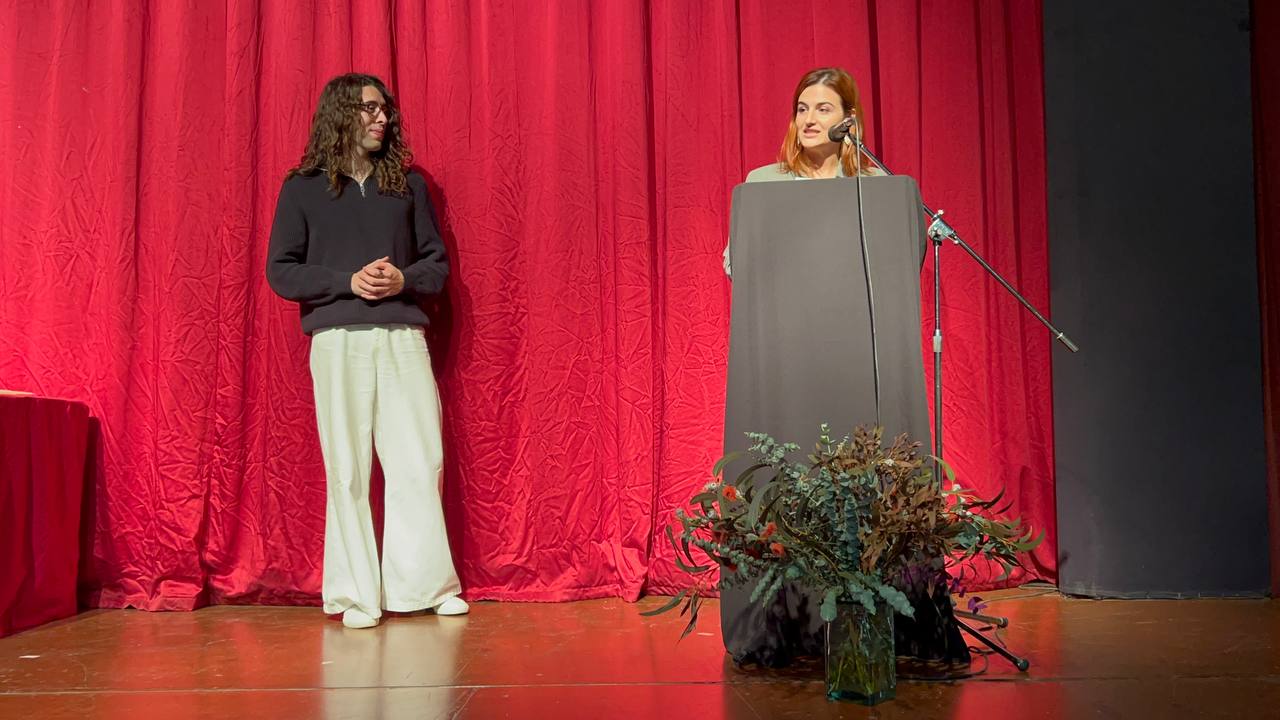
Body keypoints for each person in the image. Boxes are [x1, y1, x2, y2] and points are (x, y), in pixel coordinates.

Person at [266, 73, 467, 629]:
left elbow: (436, 265)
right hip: (338, 340)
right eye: (369, 110)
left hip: (402, 335)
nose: (382, 119)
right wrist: (345, 282)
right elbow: (281, 271)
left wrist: (400, 279)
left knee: (418, 459)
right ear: (340, 114)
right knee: (348, 470)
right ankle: (357, 595)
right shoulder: (302, 187)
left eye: (385, 110)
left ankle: (423, 587)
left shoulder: (406, 183)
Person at [724, 66, 882, 275]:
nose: (809, 120)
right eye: (802, 109)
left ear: (848, 119)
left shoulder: (877, 185)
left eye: (823, 109)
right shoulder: (762, 182)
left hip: (854, 305)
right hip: (782, 304)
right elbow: (735, 264)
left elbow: (892, 262)